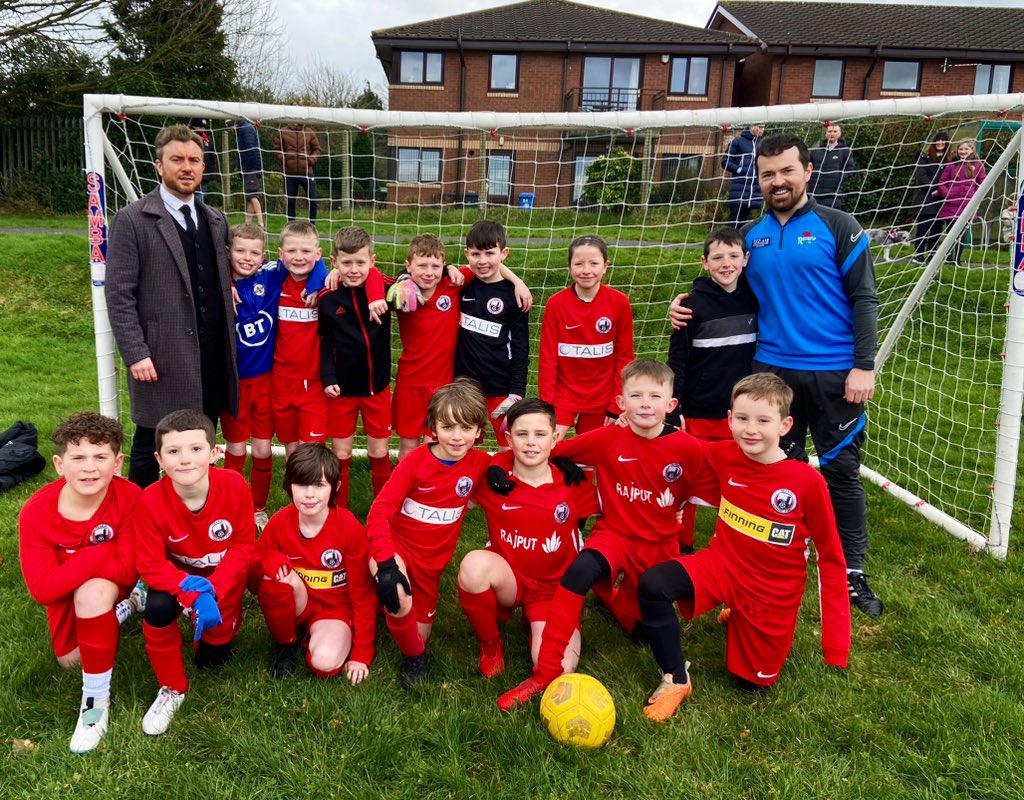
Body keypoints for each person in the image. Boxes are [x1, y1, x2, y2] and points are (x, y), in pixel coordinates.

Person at [671, 132, 882, 617]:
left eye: (787, 170)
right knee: (776, 470)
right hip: (771, 374)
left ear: (808, 172)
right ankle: (779, 553)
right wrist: (682, 305)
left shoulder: (839, 225)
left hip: (834, 374)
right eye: (768, 174)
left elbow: (864, 298)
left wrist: (863, 365)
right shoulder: (752, 237)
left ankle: (851, 573)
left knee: (841, 473)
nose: (778, 181)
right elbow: (723, 283)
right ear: (759, 179)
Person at [496, 360, 719, 711]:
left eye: (654, 396)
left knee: (645, 630)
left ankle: (676, 676)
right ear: (620, 402)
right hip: (613, 535)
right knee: (579, 572)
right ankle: (546, 672)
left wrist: (785, 462)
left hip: (658, 546)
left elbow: (731, 476)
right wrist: (498, 466)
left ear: (671, 404)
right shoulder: (608, 437)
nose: (645, 403)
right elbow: (546, 451)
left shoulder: (689, 449)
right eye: (636, 395)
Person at [637, 373, 850, 722]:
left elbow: (831, 558)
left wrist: (836, 645)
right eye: (742, 418)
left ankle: (745, 618)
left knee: (750, 684)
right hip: (722, 563)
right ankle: (676, 678)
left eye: (763, 421)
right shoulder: (723, 454)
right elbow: (673, 447)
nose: (750, 429)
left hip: (771, 590)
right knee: (653, 585)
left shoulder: (807, 482)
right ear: (730, 419)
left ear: (786, 425)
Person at [105, 123, 238, 488]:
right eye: (177, 159)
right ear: (159, 166)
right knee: (153, 439)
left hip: (212, 352)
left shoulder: (215, 219)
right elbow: (118, 293)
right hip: (161, 355)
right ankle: (140, 514)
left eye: (194, 160)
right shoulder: (132, 220)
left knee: (200, 437)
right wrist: (135, 352)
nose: (187, 167)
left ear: (203, 166)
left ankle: (194, 508)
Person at [18, 412, 143, 753]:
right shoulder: (36, 512)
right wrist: (102, 553)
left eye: (100, 456)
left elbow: (129, 568)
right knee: (70, 661)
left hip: (102, 585)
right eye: (78, 457)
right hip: (62, 594)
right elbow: (42, 590)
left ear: (117, 463)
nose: (89, 468)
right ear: (59, 464)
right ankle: (126, 607)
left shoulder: (131, 497)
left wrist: (75, 567)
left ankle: (95, 702)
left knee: (92, 593)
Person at [134, 409, 256, 736]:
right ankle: (172, 688)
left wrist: (213, 590)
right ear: (159, 458)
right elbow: (149, 564)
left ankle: (211, 618)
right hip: (177, 582)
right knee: (159, 608)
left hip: (221, 584)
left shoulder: (234, 485)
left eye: (196, 449)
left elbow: (244, 548)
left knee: (212, 662)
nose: (185, 460)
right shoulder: (148, 501)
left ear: (215, 453)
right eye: (174, 452)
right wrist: (192, 590)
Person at [459, 398, 599, 678]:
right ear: (508, 439)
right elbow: (450, 500)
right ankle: (490, 644)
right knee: (473, 566)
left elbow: (614, 514)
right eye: (522, 434)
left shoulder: (572, 481)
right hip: (509, 579)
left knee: (557, 669)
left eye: (540, 434)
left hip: (553, 589)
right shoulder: (493, 479)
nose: (531, 442)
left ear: (555, 437)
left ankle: (537, 619)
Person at [366, 379, 492, 688]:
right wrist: (385, 563)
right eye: (448, 427)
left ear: (479, 430)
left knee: (416, 628)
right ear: (432, 427)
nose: (457, 436)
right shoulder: (415, 462)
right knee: (397, 595)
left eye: (466, 428)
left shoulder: (481, 464)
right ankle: (414, 658)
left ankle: (389, 610)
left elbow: (522, 469)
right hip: (397, 549)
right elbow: (378, 513)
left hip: (432, 564)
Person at [220, 223, 325, 530]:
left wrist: (318, 285)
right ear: (229, 253)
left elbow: (314, 262)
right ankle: (232, 507)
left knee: (263, 449)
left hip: (267, 381)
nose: (247, 258)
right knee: (237, 449)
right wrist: (226, 281)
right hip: (235, 384)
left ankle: (257, 508)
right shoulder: (219, 286)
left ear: (265, 256)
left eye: (255, 252)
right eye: (240, 251)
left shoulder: (272, 276)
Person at [390, 234, 531, 460]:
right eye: (421, 266)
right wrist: (402, 278)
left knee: (438, 444)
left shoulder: (452, 284)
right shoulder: (402, 293)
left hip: (444, 383)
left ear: (443, 266)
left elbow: (483, 266)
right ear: (409, 266)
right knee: (409, 447)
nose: (428, 272)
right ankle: (406, 491)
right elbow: (370, 282)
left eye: (435, 266)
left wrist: (518, 282)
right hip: (410, 382)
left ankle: (438, 490)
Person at [667, 226, 757, 551]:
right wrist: (674, 405)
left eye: (733, 256)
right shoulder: (691, 307)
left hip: (739, 413)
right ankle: (681, 544)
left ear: (745, 259)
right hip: (698, 410)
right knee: (688, 477)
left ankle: (730, 543)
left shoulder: (755, 297)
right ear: (704, 262)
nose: (726, 263)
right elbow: (677, 360)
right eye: (717, 257)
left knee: (736, 479)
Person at [256, 444, 376, 682]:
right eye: (301, 484)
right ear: (289, 485)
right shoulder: (280, 522)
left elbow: (363, 593)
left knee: (324, 663)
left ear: (335, 488)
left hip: (334, 610)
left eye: (319, 485)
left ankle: (317, 636)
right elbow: (256, 560)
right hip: (299, 603)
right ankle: (285, 643)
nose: (309, 494)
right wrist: (271, 559)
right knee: (274, 578)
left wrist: (362, 652)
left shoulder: (349, 528)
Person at [318, 227, 392, 507]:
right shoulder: (328, 298)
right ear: (334, 262)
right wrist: (327, 376)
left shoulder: (384, 288)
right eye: (346, 263)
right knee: (341, 453)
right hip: (342, 392)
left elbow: (411, 281)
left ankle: (383, 510)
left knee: (379, 450)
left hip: (377, 390)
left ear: (372, 261)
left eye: (360, 262)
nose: (353, 269)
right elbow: (324, 341)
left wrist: (375, 290)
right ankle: (339, 512)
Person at [538, 235, 634, 441]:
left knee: (594, 453)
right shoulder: (556, 304)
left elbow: (625, 358)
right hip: (564, 395)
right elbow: (547, 358)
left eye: (594, 263)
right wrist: (547, 403)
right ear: (569, 267)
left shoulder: (619, 302)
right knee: (547, 445)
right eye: (579, 264)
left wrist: (616, 404)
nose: (586, 270)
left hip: (602, 396)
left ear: (605, 266)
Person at [454, 220, 530, 448]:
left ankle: (509, 482)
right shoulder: (462, 285)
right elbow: (431, 272)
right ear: (467, 255)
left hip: (501, 387)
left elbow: (520, 347)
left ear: (504, 253)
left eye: (490, 253)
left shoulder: (514, 296)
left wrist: (516, 391)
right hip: (464, 384)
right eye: (476, 254)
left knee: (507, 443)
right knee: (462, 441)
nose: (483, 260)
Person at [272, 220, 331, 457]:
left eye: (306, 251)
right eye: (291, 251)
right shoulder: (274, 281)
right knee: (291, 448)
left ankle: (318, 494)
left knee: (312, 451)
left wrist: (319, 280)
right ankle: (294, 494)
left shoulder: (327, 286)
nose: (298, 257)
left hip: (314, 382)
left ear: (318, 254)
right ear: (280, 254)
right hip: (281, 381)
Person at [938, 139, 987, 266]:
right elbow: (942, 182)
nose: (963, 151)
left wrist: (974, 196)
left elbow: (983, 183)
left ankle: (957, 259)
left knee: (962, 233)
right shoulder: (951, 165)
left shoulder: (978, 165)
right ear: (957, 150)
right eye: (961, 149)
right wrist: (947, 194)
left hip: (967, 205)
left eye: (966, 149)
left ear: (972, 150)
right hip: (951, 204)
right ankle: (947, 257)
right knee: (950, 232)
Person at [910, 131, 951, 263]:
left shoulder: (951, 158)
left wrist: (941, 190)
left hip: (941, 198)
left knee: (937, 229)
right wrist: (933, 188)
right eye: (938, 140)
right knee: (923, 228)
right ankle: (919, 254)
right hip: (925, 198)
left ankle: (932, 255)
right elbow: (921, 176)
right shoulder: (925, 156)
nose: (940, 143)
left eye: (943, 140)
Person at [275, 122, 321, 223]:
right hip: (289, 174)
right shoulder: (283, 131)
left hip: (307, 173)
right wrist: (285, 160)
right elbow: (277, 149)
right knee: (291, 201)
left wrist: (310, 161)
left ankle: (312, 226)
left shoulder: (309, 132)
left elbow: (317, 149)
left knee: (313, 199)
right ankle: (291, 225)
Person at [721, 123, 764, 228]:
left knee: (747, 226)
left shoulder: (762, 144)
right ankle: (728, 242)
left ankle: (741, 243)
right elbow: (725, 161)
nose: (762, 130)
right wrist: (740, 170)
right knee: (734, 222)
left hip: (755, 193)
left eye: (764, 127)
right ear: (751, 127)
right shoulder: (738, 142)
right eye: (760, 127)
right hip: (740, 191)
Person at [809, 124, 856, 210]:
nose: (832, 134)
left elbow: (850, 170)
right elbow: (807, 169)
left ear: (839, 134)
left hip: (833, 196)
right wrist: (811, 179)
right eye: (829, 131)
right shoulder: (815, 151)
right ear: (826, 134)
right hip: (814, 194)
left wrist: (838, 178)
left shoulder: (845, 151)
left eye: (835, 131)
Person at [231, 119, 264, 228]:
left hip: (251, 168)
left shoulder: (245, 129)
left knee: (253, 194)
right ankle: (248, 223)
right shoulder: (243, 129)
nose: (230, 129)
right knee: (249, 196)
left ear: (234, 124)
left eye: (230, 126)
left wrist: (246, 166)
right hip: (251, 168)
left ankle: (261, 223)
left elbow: (250, 148)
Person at [189, 119, 219, 204]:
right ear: (194, 127)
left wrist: (212, 171)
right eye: (200, 127)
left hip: (205, 176)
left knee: (200, 200)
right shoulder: (187, 139)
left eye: (204, 127)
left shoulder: (207, 140)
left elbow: (213, 156)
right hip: (191, 175)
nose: (203, 130)